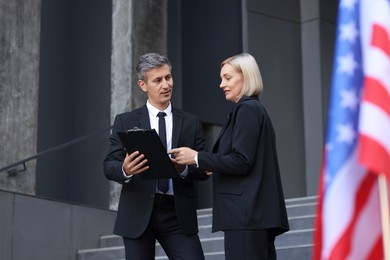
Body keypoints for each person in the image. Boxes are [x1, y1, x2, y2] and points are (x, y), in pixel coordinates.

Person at [169, 53, 290, 260]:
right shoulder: (254, 109)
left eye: (227, 77)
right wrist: (210, 164)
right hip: (253, 216)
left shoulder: (247, 110)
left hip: (246, 216)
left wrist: (197, 157)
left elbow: (242, 161)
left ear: (246, 77)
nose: (221, 84)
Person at [103, 53, 209, 260]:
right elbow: (108, 165)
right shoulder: (125, 121)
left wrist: (184, 168)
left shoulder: (191, 122)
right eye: (157, 80)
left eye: (168, 77)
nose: (165, 85)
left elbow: (204, 168)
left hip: (177, 213)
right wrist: (125, 169)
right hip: (137, 211)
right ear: (143, 85)